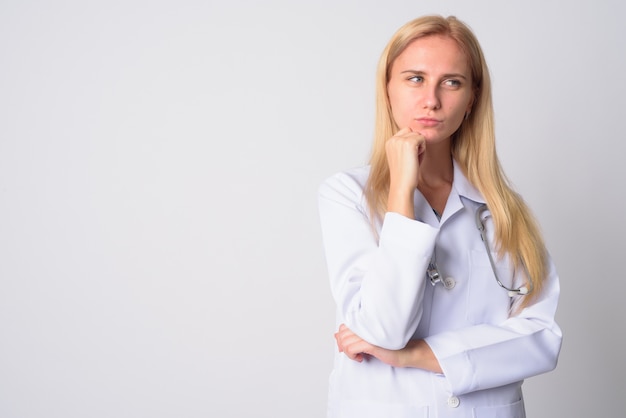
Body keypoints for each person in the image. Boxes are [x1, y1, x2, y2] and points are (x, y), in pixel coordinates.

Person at [318, 15, 562, 417]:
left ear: (472, 99)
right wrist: (400, 191)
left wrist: (418, 355)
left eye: (452, 82)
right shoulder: (348, 195)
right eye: (414, 78)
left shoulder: (502, 208)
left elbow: (542, 337)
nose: (431, 99)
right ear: (388, 90)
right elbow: (384, 329)